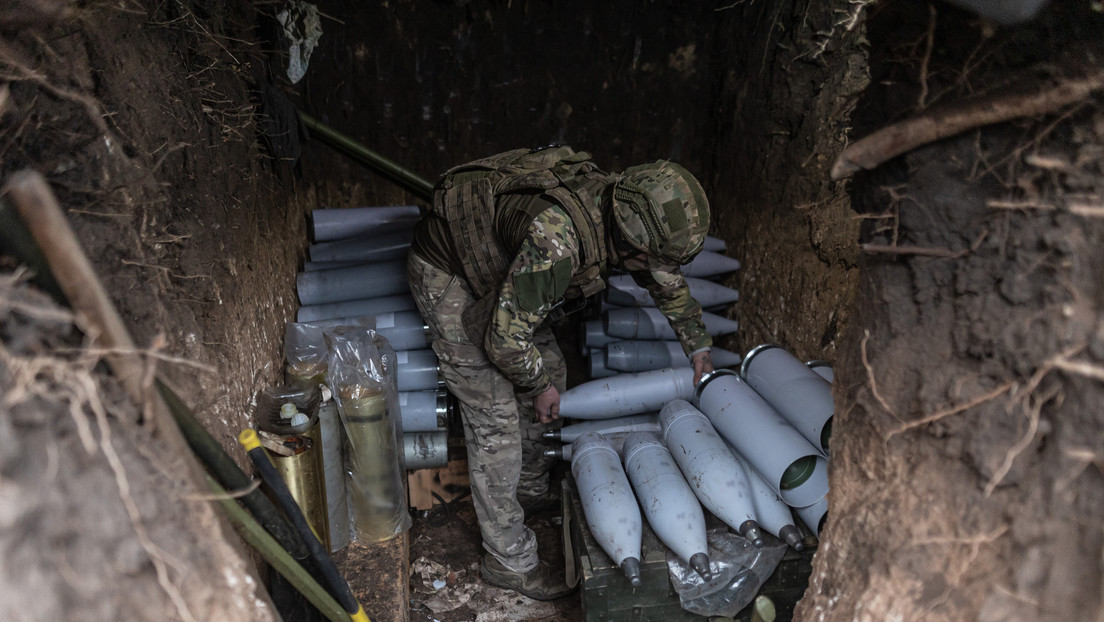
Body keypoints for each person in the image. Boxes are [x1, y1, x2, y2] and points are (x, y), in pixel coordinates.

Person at [406, 145, 716, 600]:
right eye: (650, 260)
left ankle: (528, 490)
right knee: (494, 419)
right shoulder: (557, 242)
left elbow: (663, 280)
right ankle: (508, 559)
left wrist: (698, 344)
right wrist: (538, 387)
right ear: (629, 245)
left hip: (503, 270)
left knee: (552, 369)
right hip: (448, 271)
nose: (655, 272)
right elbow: (504, 342)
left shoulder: (619, 209)